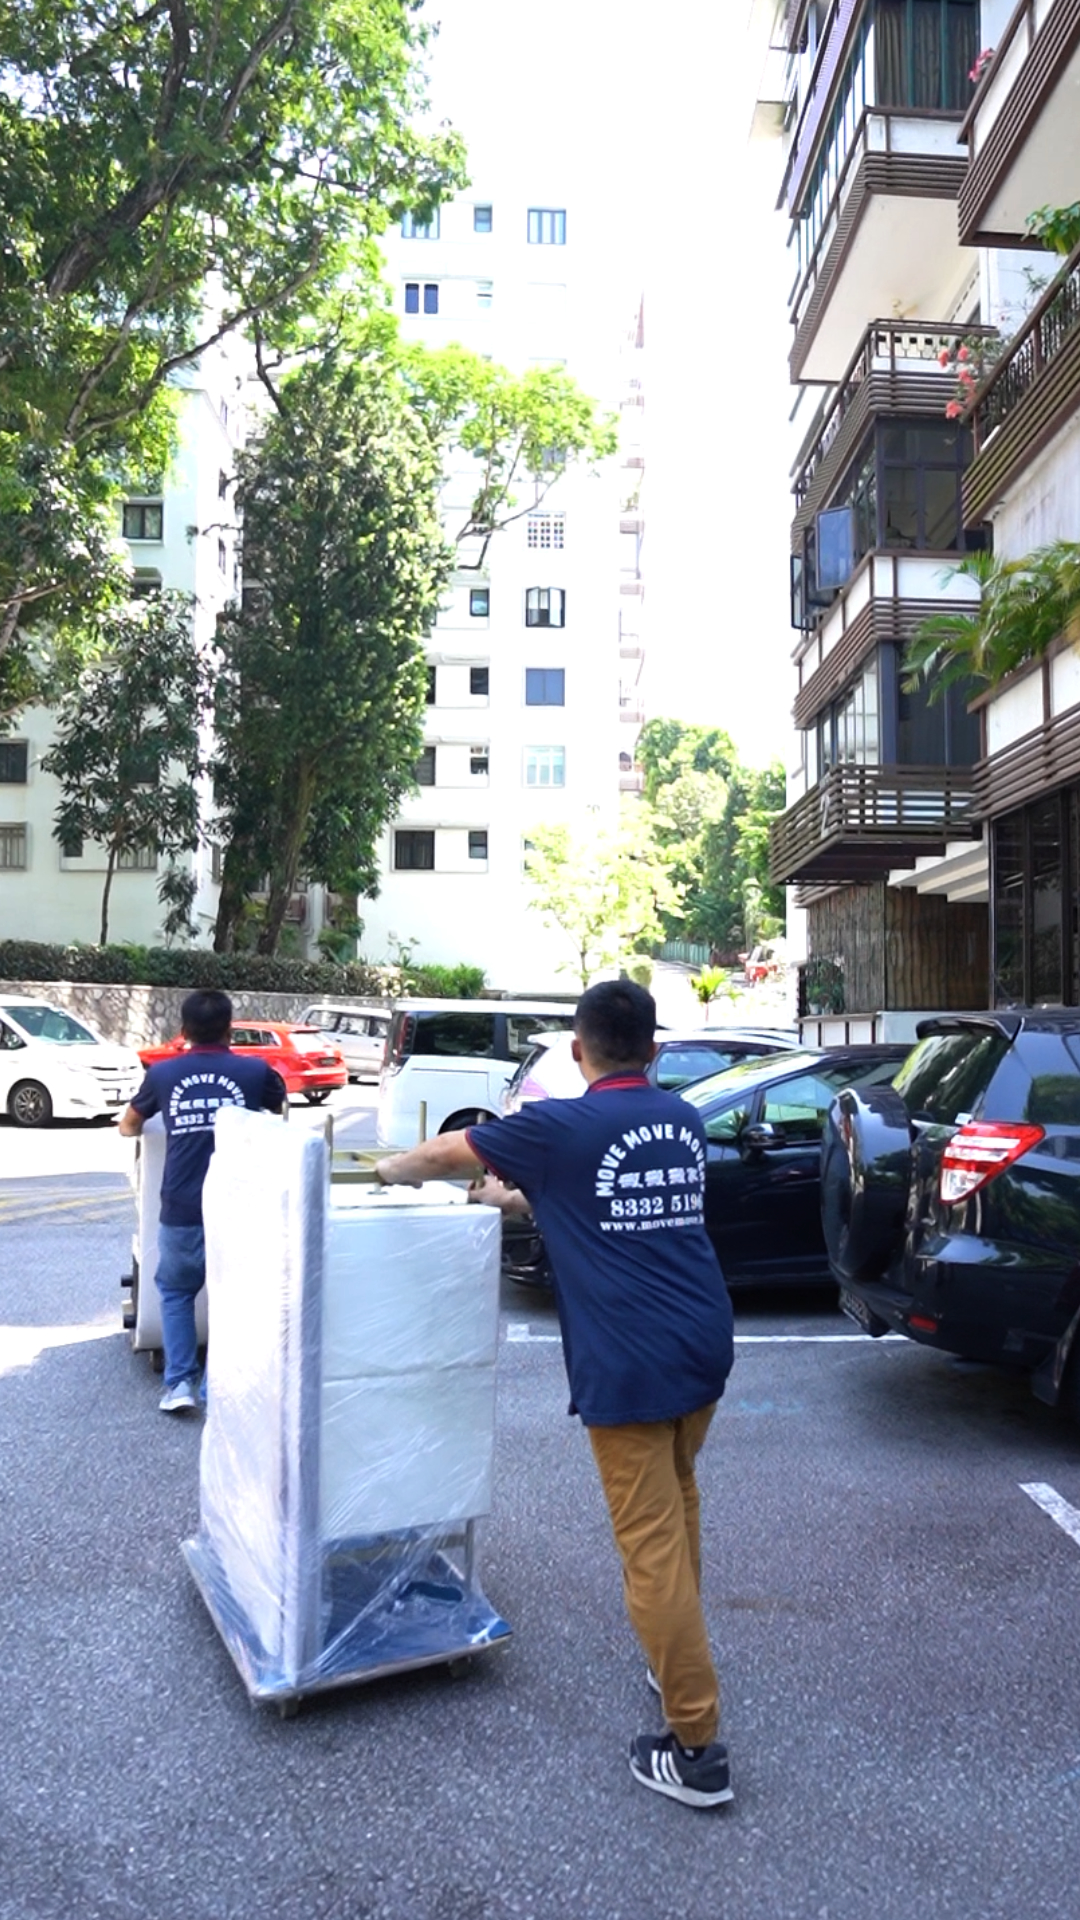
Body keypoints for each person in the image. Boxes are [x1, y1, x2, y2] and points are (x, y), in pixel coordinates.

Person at [375, 980, 736, 1809]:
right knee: (679, 1504)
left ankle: (696, 1747)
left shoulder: (558, 1124)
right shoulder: (677, 1118)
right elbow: (607, 1196)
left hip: (631, 1363)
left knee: (649, 1545)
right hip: (702, 1343)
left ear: (577, 1052)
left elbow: (448, 1152)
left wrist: (390, 1167)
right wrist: (516, 1196)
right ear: (654, 1050)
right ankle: (668, 1654)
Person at [119, 990, 286, 1415]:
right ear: (231, 1028)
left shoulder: (162, 1074)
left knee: (175, 1292)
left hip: (180, 1206)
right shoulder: (253, 1071)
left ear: (183, 1030)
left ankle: (179, 1385)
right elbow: (280, 1111)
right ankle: (218, 1385)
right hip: (239, 1207)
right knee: (233, 1295)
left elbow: (128, 1126)